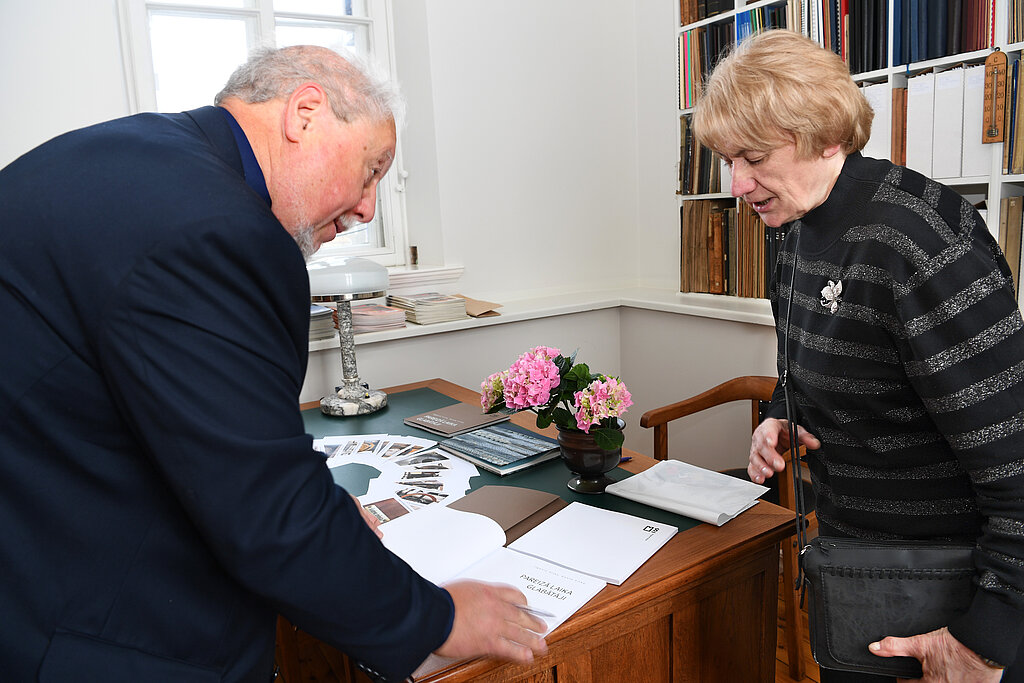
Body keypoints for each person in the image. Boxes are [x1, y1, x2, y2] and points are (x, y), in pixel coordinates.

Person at [0, 45, 546, 682]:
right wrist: (438, 620)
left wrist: (319, 508)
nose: (368, 208)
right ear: (305, 113)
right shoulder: (218, 230)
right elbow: (266, 509)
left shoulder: (123, 156)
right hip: (101, 635)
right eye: (372, 170)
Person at [692, 30, 1024, 683]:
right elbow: (807, 359)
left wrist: (983, 643)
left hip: (955, 610)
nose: (738, 184)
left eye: (753, 157)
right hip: (860, 577)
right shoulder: (792, 227)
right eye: (728, 160)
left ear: (825, 136)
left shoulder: (921, 241)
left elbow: (1017, 460)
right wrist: (781, 414)